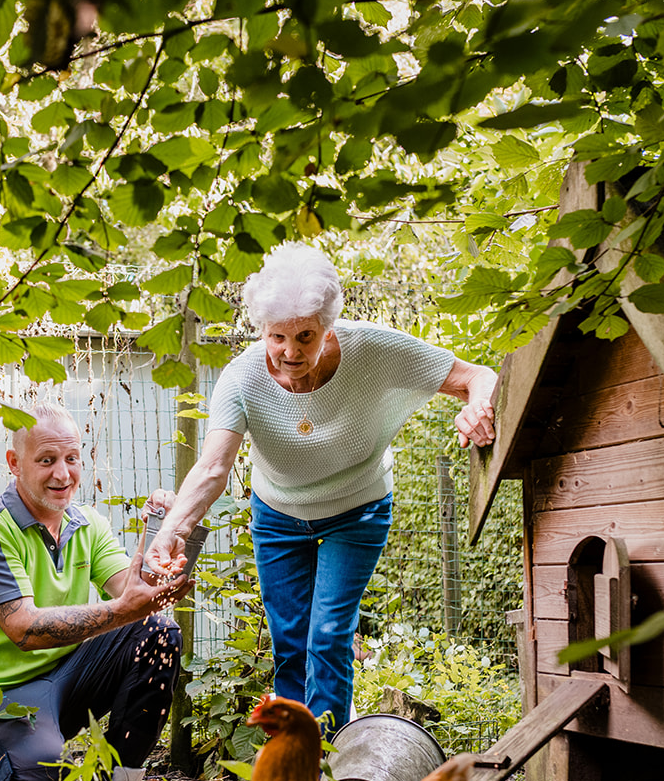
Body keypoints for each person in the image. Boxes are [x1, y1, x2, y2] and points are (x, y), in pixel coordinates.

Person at [143, 242, 498, 734]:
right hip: (278, 516)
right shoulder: (243, 378)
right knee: (289, 641)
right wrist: (172, 532)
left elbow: (475, 376)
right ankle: (292, 759)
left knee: (329, 635)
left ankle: (329, 759)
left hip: (358, 511)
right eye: (277, 337)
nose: (291, 352)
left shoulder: (372, 349)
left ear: (326, 326)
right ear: (262, 330)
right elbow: (212, 468)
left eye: (305, 336)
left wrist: (477, 408)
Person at [0, 402, 190, 781]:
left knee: (158, 632)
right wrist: (122, 610)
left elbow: (135, 594)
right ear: (15, 463)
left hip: (60, 683)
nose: (62, 474)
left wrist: (167, 536)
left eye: (71, 459)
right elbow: (23, 628)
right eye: (46, 460)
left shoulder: (86, 523)